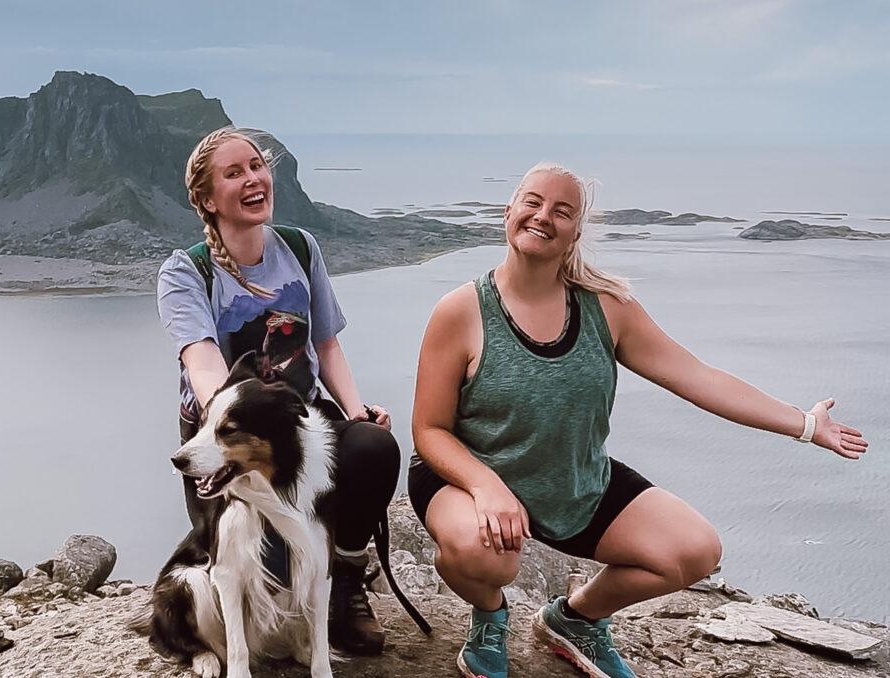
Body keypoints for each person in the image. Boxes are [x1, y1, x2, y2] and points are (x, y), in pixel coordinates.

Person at [408, 162, 869, 678]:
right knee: (488, 557)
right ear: (508, 213)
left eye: (562, 211)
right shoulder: (461, 310)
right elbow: (428, 430)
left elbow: (697, 377)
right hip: (467, 481)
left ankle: (576, 619)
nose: (543, 217)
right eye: (532, 202)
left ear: (575, 232)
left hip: (571, 482)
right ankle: (489, 617)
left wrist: (803, 424)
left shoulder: (607, 307)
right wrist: (486, 485)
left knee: (694, 550)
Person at [157, 127, 400, 655]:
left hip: (301, 420)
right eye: (233, 173)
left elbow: (328, 346)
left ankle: (347, 584)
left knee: (374, 449)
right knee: (247, 547)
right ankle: (205, 614)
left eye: (256, 166)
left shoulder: (299, 247)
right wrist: (228, 429)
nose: (253, 179)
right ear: (205, 198)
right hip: (226, 425)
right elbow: (201, 363)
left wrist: (357, 413)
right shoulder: (185, 271)